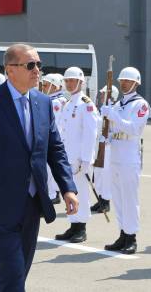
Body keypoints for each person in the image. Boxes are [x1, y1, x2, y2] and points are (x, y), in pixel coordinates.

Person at [0, 44, 78, 292]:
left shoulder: (43, 103)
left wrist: (68, 187)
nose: (37, 70)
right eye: (30, 65)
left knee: (16, 274)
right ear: (10, 70)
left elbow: (55, 149)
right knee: (13, 274)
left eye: (38, 65)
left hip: (32, 204)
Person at [101, 67, 150, 254]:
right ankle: (122, 233)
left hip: (130, 155)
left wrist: (113, 116)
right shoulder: (118, 103)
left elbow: (134, 129)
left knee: (130, 198)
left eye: (127, 81)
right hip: (116, 154)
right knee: (118, 198)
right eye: (122, 81)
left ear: (136, 83)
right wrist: (107, 136)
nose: (123, 83)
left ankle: (132, 237)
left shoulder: (141, 105)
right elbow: (114, 128)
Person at [54, 67, 98, 243]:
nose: (69, 83)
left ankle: (82, 227)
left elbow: (90, 133)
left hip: (79, 158)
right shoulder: (68, 103)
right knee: (69, 191)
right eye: (67, 80)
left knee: (82, 193)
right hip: (68, 157)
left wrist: (86, 159)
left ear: (81, 82)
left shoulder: (86, 104)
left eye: (73, 80)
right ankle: (73, 225)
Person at [91, 84, 119, 214]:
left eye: (104, 94)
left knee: (106, 174)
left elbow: (117, 129)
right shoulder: (103, 109)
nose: (101, 96)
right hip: (99, 145)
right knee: (98, 174)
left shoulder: (115, 110)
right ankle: (100, 198)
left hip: (108, 147)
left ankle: (106, 201)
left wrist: (109, 137)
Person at [40, 73, 67, 204]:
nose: (43, 87)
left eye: (46, 85)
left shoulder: (55, 102)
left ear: (55, 86)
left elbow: (51, 123)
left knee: (49, 169)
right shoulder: (58, 100)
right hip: (57, 139)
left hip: (53, 139)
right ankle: (53, 193)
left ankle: (52, 194)